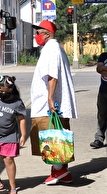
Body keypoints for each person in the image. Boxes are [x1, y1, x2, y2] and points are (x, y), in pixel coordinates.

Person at [29, 19, 78, 185]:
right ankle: (62, 172)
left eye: (38, 33)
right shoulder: (52, 48)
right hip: (52, 103)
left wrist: (50, 98)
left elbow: (52, 75)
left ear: (47, 34)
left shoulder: (51, 48)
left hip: (50, 104)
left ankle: (60, 171)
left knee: (52, 138)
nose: (36, 36)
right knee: (57, 136)